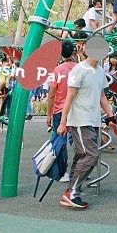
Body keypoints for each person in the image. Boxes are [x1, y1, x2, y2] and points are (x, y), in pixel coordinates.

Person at [57, 45, 117, 210]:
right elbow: (69, 97)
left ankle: (72, 191)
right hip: (79, 120)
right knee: (90, 155)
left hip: (94, 120)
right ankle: (71, 192)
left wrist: (111, 116)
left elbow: (102, 96)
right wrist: (63, 122)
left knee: (82, 156)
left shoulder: (99, 72)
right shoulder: (79, 70)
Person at [45, 41, 79, 181]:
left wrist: (49, 114)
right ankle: (79, 169)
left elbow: (52, 94)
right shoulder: (80, 68)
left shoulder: (57, 70)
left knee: (60, 142)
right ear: (74, 53)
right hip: (77, 110)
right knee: (79, 141)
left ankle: (61, 172)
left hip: (60, 110)